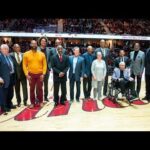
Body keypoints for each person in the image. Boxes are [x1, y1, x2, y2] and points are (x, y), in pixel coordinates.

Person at [23, 40, 47, 108]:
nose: (34, 45)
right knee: (31, 89)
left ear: (37, 45)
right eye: (32, 44)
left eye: (35, 44)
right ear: (30, 45)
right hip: (31, 75)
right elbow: (24, 65)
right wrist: (26, 74)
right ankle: (32, 103)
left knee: (40, 89)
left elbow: (45, 65)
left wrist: (43, 74)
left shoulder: (42, 54)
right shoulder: (26, 54)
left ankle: (41, 102)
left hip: (40, 74)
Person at [0, 44, 16, 113]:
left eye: (7, 49)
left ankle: (9, 104)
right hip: (3, 78)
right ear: (1, 50)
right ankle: (4, 106)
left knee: (10, 92)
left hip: (11, 76)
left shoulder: (9, 56)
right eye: (4, 49)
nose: (6, 50)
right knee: (4, 93)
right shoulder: (0, 57)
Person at [37, 36, 51, 102]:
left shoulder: (48, 50)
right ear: (40, 42)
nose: (44, 42)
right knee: (39, 84)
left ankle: (45, 97)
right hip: (39, 70)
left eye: (45, 41)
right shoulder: (37, 49)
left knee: (46, 84)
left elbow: (50, 59)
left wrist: (49, 67)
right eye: (42, 41)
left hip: (46, 70)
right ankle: (38, 97)